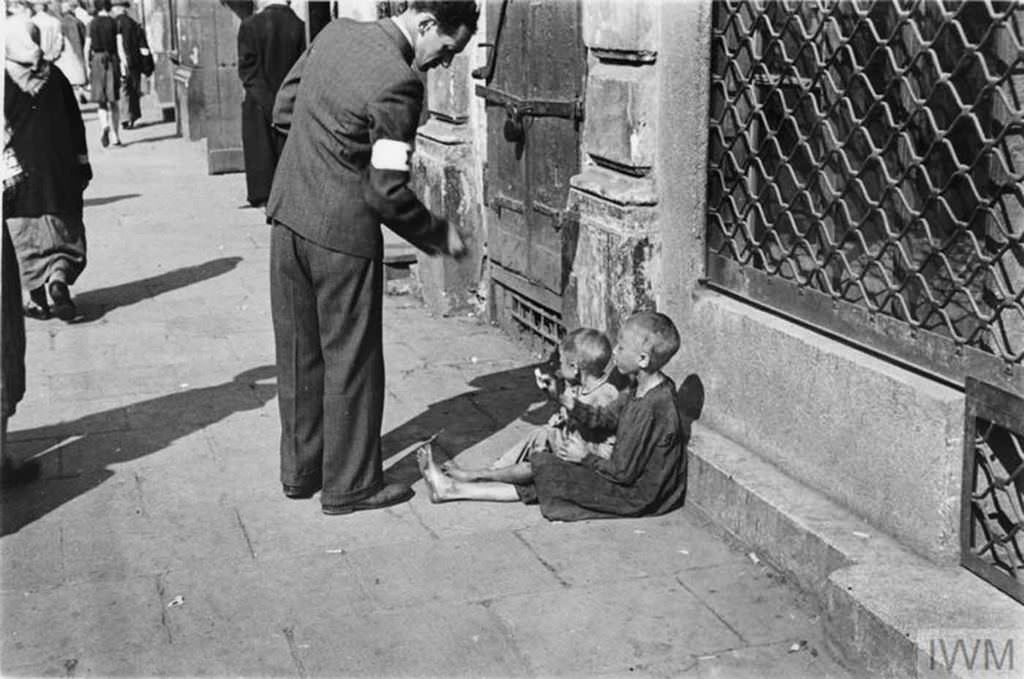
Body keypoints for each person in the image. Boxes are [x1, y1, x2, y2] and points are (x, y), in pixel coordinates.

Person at [267, 1, 479, 515]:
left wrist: (319, 162)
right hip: (341, 238)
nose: (443, 63)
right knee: (351, 361)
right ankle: (351, 486)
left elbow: (283, 112)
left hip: (288, 217)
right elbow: (387, 192)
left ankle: (301, 473)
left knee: (298, 355)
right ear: (426, 23)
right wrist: (439, 236)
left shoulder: (335, 33)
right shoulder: (399, 84)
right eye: (447, 49)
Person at [418, 312, 691, 522]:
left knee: (546, 466)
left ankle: (464, 481)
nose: (615, 352)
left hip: (637, 496)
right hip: (623, 478)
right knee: (547, 470)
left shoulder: (651, 406)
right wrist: (564, 399)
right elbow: (604, 418)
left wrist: (584, 457)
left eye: (621, 347)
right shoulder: (638, 388)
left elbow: (623, 473)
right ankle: (453, 487)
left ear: (642, 359)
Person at [443, 328, 619, 485]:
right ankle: (492, 470)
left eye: (561, 361)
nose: (557, 365)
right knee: (540, 433)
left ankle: (482, 477)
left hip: (589, 463)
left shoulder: (606, 394)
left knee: (536, 464)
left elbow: (593, 423)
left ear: (574, 368)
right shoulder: (580, 386)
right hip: (573, 448)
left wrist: (563, 404)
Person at [5, 17, 92, 323]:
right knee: (63, 229)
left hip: (20, 176)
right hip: (60, 170)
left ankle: (38, 299)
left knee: (24, 237)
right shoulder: (55, 76)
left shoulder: (3, 80)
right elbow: (75, 124)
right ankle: (58, 277)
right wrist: (83, 163)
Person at [236, 0, 305, 208]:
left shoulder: (250, 25)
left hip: (259, 104)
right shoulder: (300, 27)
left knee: (262, 155)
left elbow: (248, 71)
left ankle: (264, 196)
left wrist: (268, 102)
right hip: (291, 103)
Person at [84, 0, 126, 147]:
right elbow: (120, 47)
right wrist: (124, 66)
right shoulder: (115, 23)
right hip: (112, 60)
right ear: (108, 6)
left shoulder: (91, 24)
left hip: (97, 60)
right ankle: (116, 136)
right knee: (114, 100)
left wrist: (87, 66)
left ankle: (104, 126)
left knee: (101, 101)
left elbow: (87, 47)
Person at [110, 0, 146, 129]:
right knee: (134, 89)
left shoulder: (113, 24)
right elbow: (142, 45)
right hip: (134, 61)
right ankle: (133, 117)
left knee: (123, 89)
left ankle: (124, 117)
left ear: (118, 8)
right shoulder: (134, 24)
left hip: (119, 61)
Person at [55, 0, 88, 101]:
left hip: (67, 53)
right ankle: (80, 91)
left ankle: (76, 95)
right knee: (78, 76)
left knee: (69, 78)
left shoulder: (62, 22)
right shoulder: (78, 21)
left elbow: (60, 40)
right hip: (78, 52)